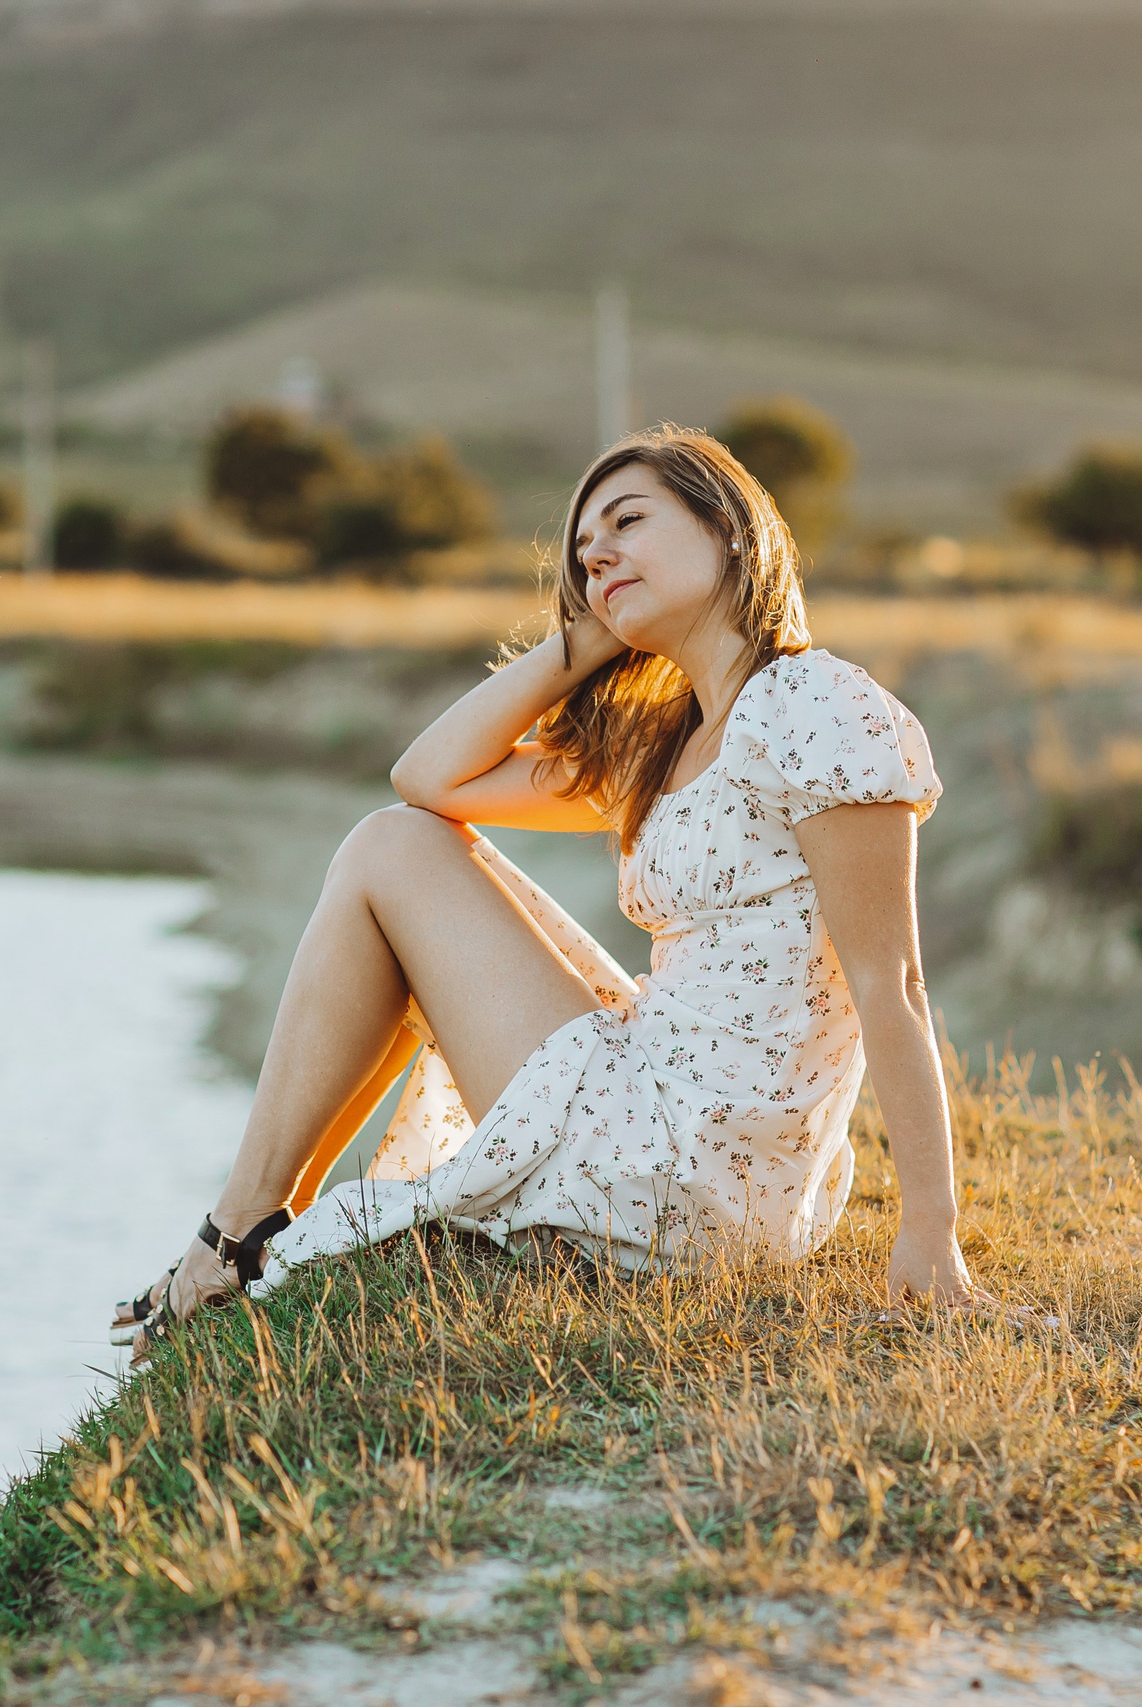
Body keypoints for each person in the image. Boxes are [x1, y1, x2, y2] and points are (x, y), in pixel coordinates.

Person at [113, 424, 976, 1360]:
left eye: (628, 521)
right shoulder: (670, 747)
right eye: (582, 552)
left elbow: (893, 981)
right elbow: (430, 776)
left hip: (685, 1171)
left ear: (729, 526)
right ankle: (256, 1228)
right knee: (398, 840)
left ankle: (233, 1236)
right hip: (669, 1128)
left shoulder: (809, 702)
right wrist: (590, 635)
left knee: (388, 851)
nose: (596, 551)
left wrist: (930, 1230)